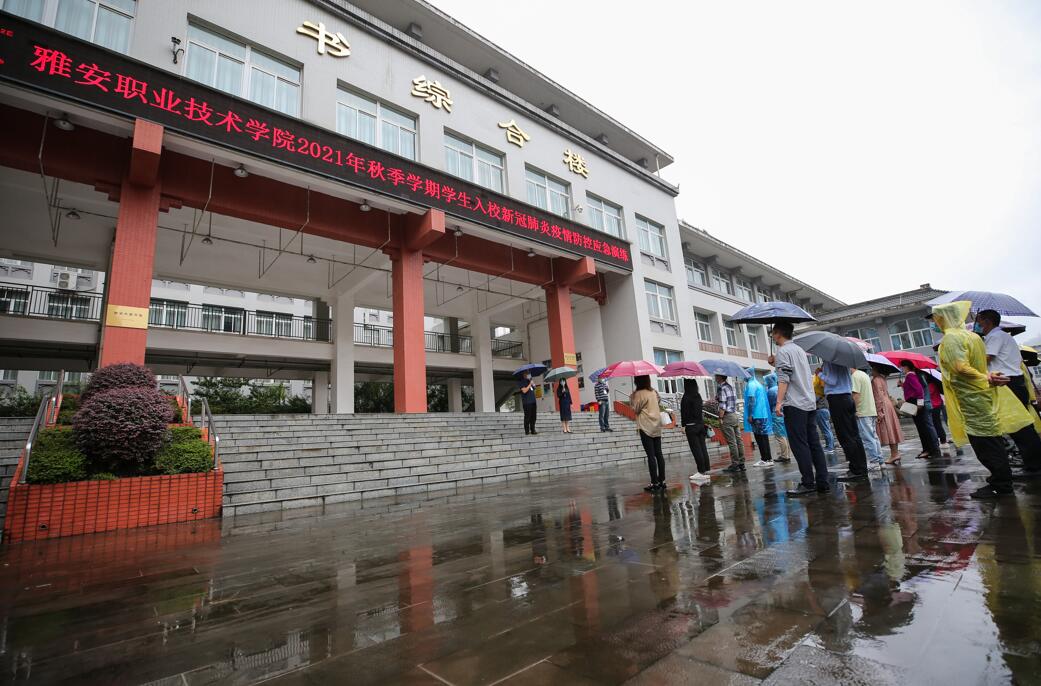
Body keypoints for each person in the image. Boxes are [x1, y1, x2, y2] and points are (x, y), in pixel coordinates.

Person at [933, 301, 1038, 497]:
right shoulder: (973, 336)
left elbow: (960, 367)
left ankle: (1001, 483)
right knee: (994, 436)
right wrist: (986, 378)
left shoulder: (952, 338)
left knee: (985, 441)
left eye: (936, 318)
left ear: (944, 318)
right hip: (985, 390)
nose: (934, 322)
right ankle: (1002, 479)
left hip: (973, 396)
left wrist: (985, 378)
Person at [769, 322, 830, 495]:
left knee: (799, 444)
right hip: (809, 402)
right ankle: (823, 481)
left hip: (795, 404)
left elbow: (784, 379)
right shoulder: (799, 350)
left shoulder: (783, 351)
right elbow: (793, 373)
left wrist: (779, 402)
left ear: (778, 333)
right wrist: (775, 364)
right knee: (814, 443)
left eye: (773, 333)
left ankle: (807, 482)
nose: (772, 336)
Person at [975, 309, 1041, 468]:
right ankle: (1032, 460)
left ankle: (1035, 463)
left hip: (1008, 382)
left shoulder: (996, 336)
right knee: (1019, 423)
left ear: (987, 321)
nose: (977, 324)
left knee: (1019, 425)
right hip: (1012, 381)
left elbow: (986, 358)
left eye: (979, 321)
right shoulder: (1002, 336)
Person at [819, 360, 870, 481]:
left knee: (845, 436)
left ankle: (856, 469)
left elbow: (832, 380)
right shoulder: (843, 362)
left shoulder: (829, 361)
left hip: (837, 399)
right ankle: (861, 467)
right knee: (854, 435)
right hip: (847, 397)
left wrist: (819, 373)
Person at [899, 360, 942, 460]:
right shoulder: (913, 375)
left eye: (902, 367)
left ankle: (932, 450)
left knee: (923, 428)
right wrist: (902, 385)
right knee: (922, 427)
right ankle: (928, 449)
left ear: (906, 367)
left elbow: (918, 390)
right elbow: (912, 389)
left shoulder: (910, 375)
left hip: (916, 403)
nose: (901, 369)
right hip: (916, 402)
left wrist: (920, 403)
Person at [631, 375, 666, 491]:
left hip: (645, 426)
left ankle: (654, 483)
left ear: (637, 381)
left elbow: (636, 409)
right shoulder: (653, 392)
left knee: (651, 455)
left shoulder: (638, 394)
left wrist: (632, 398)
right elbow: (658, 401)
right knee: (659, 454)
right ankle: (662, 481)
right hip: (656, 426)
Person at [870, 364, 904, 464]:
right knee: (892, 429)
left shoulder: (875, 380)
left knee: (888, 429)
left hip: (883, 406)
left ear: (876, 369)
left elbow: (878, 396)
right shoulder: (882, 378)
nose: (871, 370)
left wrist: (879, 411)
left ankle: (894, 454)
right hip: (888, 404)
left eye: (872, 368)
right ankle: (895, 453)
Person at [851, 367, 883, 468]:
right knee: (874, 437)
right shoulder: (864, 375)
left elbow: (856, 395)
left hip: (862, 411)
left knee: (868, 438)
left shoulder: (855, 376)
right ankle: (880, 460)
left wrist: (854, 410)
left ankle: (874, 461)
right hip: (870, 410)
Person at [681, 378, 711, 482]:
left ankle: (701, 471)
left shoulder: (686, 397)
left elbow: (684, 413)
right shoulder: (698, 396)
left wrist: (683, 425)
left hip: (691, 426)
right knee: (703, 448)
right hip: (700, 425)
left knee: (696, 449)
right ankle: (706, 470)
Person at [715, 373, 745, 474]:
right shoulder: (730, 387)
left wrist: (720, 417)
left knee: (732, 442)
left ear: (720, 377)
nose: (715, 378)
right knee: (739, 440)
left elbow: (723, 405)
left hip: (727, 416)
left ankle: (735, 464)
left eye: (716, 376)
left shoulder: (721, 388)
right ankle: (741, 463)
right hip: (734, 415)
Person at [743, 370, 773, 467]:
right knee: (764, 437)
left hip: (756, 415)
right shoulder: (758, 384)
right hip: (762, 414)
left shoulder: (751, 385)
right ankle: (768, 458)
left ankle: (764, 459)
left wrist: (750, 414)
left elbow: (751, 401)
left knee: (759, 438)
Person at [764, 373, 792, 462]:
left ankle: (784, 456)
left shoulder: (770, 391)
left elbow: (768, 404)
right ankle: (787, 454)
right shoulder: (779, 388)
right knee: (785, 435)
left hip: (775, 414)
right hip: (783, 413)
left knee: (780, 436)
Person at [813, 371, 837, 455]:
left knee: (825, 429)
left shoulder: (820, 392)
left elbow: (814, 399)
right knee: (827, 429)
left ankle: (830, 447)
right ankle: (830, 445)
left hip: (821, 410)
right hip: (824, 410)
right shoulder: (824, 390)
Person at [925, 374, 948, 446]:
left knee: (936, 423)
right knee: (937, 423)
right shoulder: (934, 383)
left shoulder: (930, 385)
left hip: (934, 406)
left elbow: (927, 394)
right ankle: (942, 439)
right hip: (937, 404)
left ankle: (942, 440)